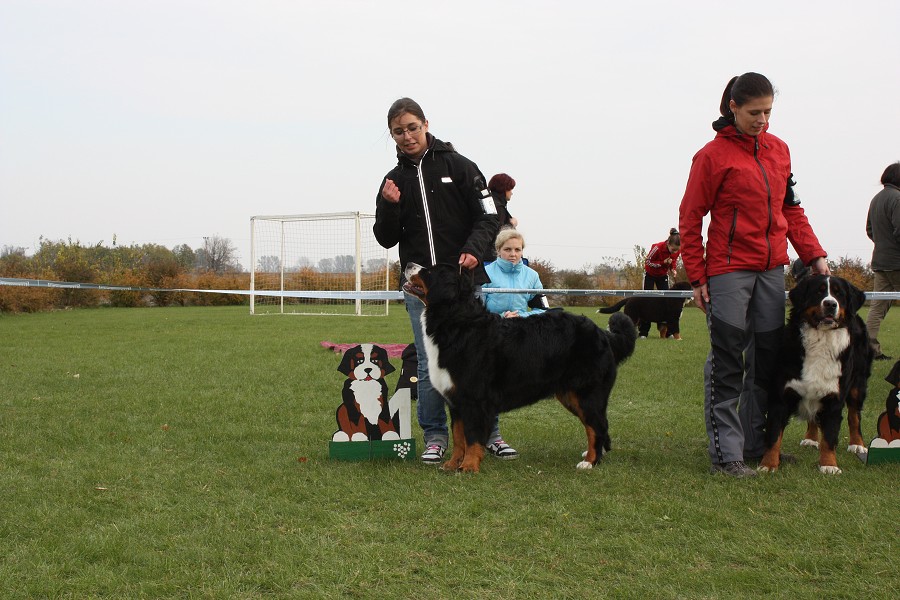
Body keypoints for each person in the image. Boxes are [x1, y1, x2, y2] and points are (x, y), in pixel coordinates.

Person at [678, 73, 829, 478]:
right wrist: (697, 277)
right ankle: (725, 455)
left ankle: (754, 443)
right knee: (728, 362)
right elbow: (691, 218)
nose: (762, 120)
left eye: (768, 112)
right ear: (733, 107)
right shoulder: (711, 156)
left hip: (771, 270)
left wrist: (813, 254)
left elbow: (791, 210)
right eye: (754, 112)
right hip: (727, 271)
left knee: (766, 364)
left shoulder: (780, 151)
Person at [373, 97, 517, 464]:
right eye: (398, 132)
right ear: (391, 135)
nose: (406, 137)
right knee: (427, 361)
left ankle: (490, 435)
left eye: (411, 128)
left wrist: (473, 249)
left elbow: (490, 216)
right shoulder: (393, 181)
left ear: (425, 124)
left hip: (465, 283)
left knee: (479, 362)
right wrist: (389, 205)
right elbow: (386, 237)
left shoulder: (461, 166)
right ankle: (435, 436)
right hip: (421, 289)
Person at [865, 161, 900, 361]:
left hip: (880, 262)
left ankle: (870, 350)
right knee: (878, 307)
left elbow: (870, 230)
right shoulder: (898, 198)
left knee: (877, 308)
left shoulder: (876, 199)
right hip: (897, 262)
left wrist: (883, 245)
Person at [483, 228, 545, 321]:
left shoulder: (532, 276)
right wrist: (501, 317)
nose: (513, 254)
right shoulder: (484, 273)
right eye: (507, 249)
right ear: (498, 250)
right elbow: (476, 311)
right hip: (491, 329)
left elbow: (542, 310)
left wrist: (521, 317)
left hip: (521, 330)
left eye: (517, 250)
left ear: (522, 251)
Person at [640, 228, 682, 338]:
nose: (674, 252)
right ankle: (643, 333)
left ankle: (668, 333)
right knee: (646, 301)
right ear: (668, 244)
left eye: (676, 250)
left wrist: (673, 269)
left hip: (663, 276)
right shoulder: (657, 248)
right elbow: (648, 262)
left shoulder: (676, 251)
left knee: (667, 302)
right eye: (673, 249)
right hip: (650, 275)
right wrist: (662, 263)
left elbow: (673, 261)